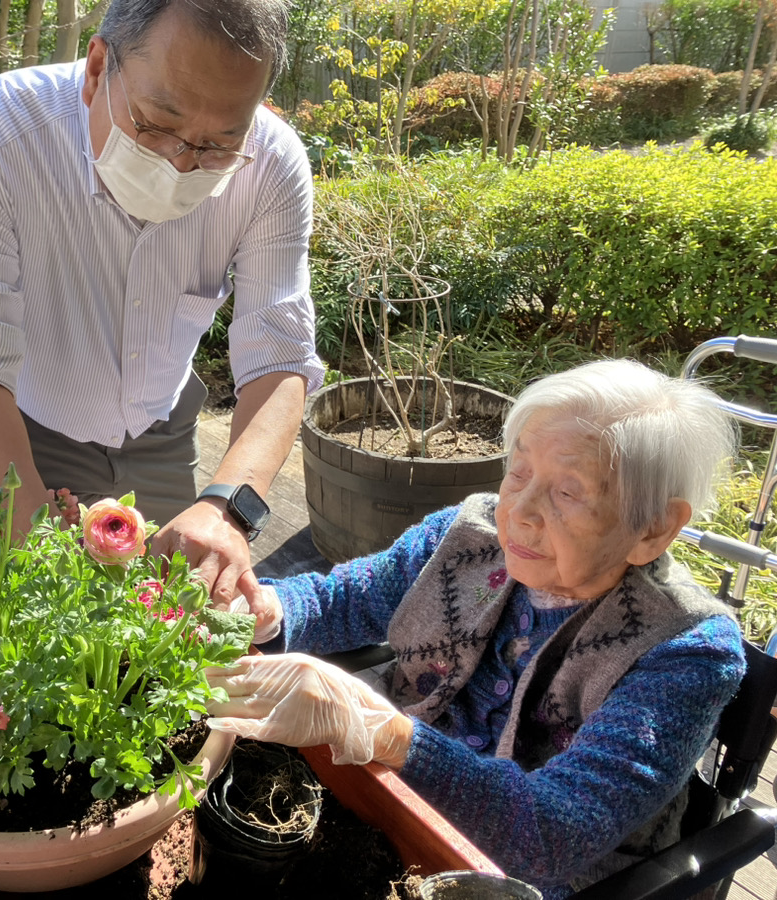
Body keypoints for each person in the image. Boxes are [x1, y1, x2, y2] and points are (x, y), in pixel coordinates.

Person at [206, 359, 746, 898]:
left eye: (569, 492)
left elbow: (552, 833)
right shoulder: (470, 531)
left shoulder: (688, 650)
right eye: (520, 471)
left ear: (654, 528)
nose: (520, 512)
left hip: (522, 880)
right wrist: (270, 611)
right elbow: (351, 596)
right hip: (391, 802)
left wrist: (379, 728)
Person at [0, 0, 324, 612]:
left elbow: (279, 353)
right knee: (32, 625)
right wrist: (31, 538)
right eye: (158, 124)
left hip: (164, 429)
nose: (182, 161)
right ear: (98, 68)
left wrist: (227, 509)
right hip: (25, 431)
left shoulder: (270, 164)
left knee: (160, 626)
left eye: (219, 143)